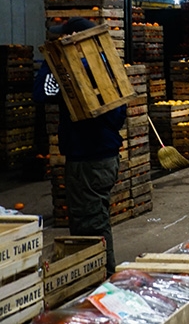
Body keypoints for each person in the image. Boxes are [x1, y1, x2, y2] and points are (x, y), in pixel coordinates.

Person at [34, 18, 127, 276]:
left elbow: (42, 92)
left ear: (73, 38)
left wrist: (52, 62)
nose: (59, 41)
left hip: (88, 160)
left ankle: (102, 278)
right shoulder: (106, 69)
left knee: (91, 224)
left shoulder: (73, 72)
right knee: (95, 219)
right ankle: (98, 274)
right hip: (104, 157)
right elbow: (119, 116)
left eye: (64, 37)